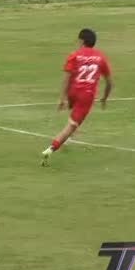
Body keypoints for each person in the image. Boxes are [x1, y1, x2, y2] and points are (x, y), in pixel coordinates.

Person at [41, 28, 113, 167]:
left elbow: (67, 78)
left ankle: (71, 132)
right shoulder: (100, 57)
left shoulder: (74, 55)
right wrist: (104, 98)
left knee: (74, 110)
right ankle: (51, 149)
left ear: (81, 41)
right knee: (71, 126)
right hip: (87, 95)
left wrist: (62, 98)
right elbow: (110, 82)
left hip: (73, 91)